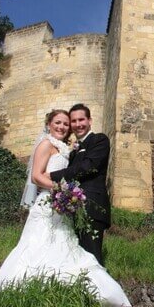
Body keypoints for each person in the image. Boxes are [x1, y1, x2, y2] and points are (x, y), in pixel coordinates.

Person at [0, 109, 131, 307]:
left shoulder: (69, 148)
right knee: (36, 245)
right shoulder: (46, 144)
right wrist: (62, 188)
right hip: (48, 203)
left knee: (65, 247)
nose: (62, 127)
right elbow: (36, 177)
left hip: (63, 206)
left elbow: (79, 168)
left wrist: (62, 189)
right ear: (49, 124)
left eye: (66, 124)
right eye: (59, 122)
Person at [46, 103, 111, 266]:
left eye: (81, 119)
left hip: (92, 206)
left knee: (92, 258)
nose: (77, 124)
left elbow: (88, 167)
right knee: (76, 260)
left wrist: (52, 176)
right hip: (72, 208)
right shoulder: (74, 150)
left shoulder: (99, 140)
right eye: (73, 121)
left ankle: (99, 291)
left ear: (90, 120)